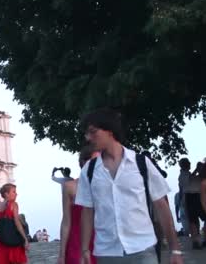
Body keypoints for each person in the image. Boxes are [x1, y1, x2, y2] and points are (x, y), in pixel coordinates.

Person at [76, 108, 183, 264]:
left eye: (93, 132)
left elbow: (161, 206)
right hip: (107, 252)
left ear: (110, 130)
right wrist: (85, 249)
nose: (88, 138)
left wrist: (175, 249)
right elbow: (87, 211)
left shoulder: (141, 164)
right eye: (86, 133)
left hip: (143, 248)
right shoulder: (89, 170)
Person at [58, 146, 99, 264]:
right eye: (94, 160)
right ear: (83, 162)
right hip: (76, 242)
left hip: (102, 241)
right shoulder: (70, 187)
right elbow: (66, 221)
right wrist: (62, 254)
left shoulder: (106, 186)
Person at [0, 183, 28, 264]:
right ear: (6, 194)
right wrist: (25, 238)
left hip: (2, 240)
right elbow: (17, 223)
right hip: (14, 239)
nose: (16, 194)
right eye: (14, 192)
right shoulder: (13, 204)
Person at [186, 162, 206, 249]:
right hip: (191, 196)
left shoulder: (205, 177)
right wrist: (196, 170)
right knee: (193, 220)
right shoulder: (187, 175)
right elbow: (188, 181)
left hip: (200, 196)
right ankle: (195, 241)